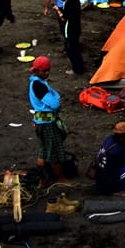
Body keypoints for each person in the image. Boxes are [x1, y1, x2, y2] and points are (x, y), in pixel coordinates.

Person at [28, 56, 72, 186]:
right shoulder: (39, 86)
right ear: (36, 70)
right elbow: (54, 104)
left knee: (44, 150)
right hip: (47, 124)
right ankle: (61, 178)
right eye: (44, 70)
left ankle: (43, 178)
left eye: (48, 70)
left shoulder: (36, 82)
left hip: (40, 121)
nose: (47, 73)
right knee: (53, 152)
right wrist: (56, 99)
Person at [53, 0, 84, 75]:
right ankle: (80, 66)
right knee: (76, 48)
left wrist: (57, 10)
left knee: (71, 50)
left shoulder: (67, 3)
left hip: (70, 28)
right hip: (77, 27)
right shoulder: (76, 0)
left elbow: (63, 18)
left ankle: (76, 69)